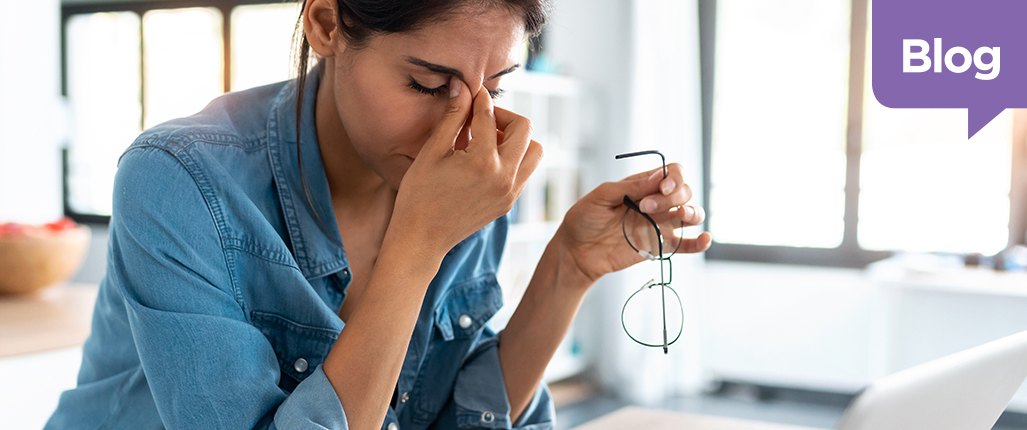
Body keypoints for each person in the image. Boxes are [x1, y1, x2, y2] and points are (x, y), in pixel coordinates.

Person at [45, 0, 712, 429]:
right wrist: (417, 246)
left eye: (497, 87)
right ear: (326, 24)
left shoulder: (463, 171)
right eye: (428, 84)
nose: (468, 127)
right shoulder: (179, 179)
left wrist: (568, 266)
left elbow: (454, 415)